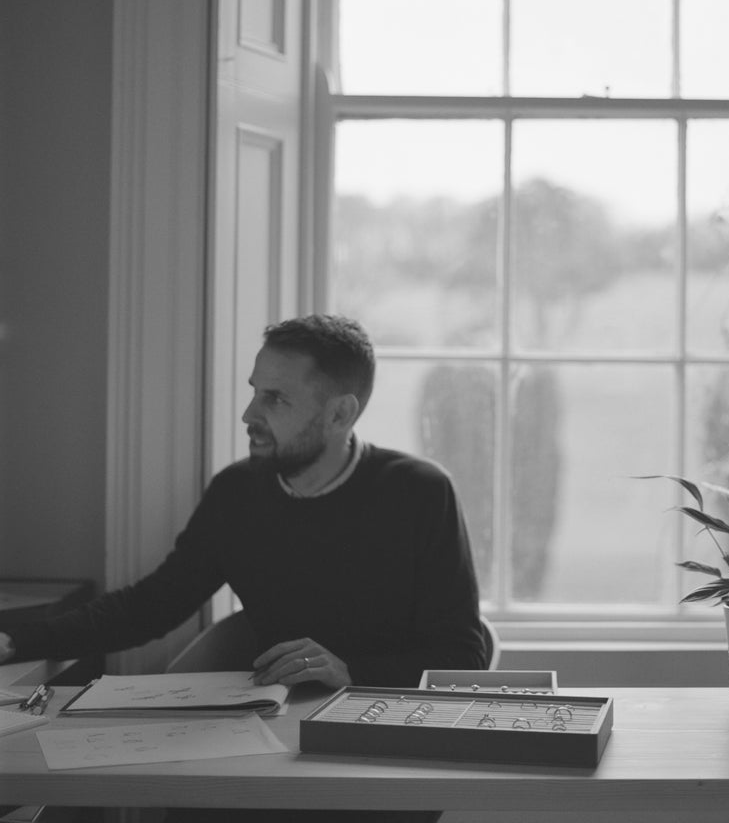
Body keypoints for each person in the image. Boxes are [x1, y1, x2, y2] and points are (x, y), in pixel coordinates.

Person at [0, 314, 487, 821]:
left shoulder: (419, 493)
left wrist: (350, 672)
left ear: (341, 414)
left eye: (275, 399)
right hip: (266, 741)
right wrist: (16, 643)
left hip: (377, 747)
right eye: (255, 390)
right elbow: (151, 606)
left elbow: (462, 658)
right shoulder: (238, 491)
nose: (248, 413)